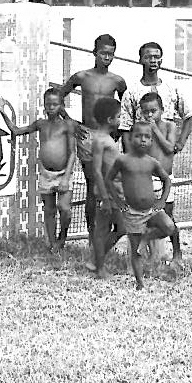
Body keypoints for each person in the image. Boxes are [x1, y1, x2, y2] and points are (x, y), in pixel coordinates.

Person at [119, 42, 192, 264]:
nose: (153, 61)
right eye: (148, 57)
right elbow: (124, 128)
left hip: (163, 163)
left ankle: (176, 254)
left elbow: (189, 116)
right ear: (140, 59)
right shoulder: (132, 91)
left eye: (157, 57)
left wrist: (179, 143)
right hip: (142, 166)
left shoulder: (172, 89)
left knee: (167, 214)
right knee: (140, 213)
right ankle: (144, 256)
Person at [58, 34, 127, 266]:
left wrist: (117, 131)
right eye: (103, 53)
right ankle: (90, 235)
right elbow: (58, 96)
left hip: (106, 136)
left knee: (109, 183)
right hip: (86, 134)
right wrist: (70, 122)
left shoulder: (117, 81)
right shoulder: (81, 76)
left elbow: (126, 107)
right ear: (94, 52)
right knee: (91, 185)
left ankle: (103, 234)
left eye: (111, 54)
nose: (107, 58)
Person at [0, 88, 77, 251]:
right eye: (48, 104)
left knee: (65, 209)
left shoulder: (67, 126)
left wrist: (65, 178)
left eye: (55, 104)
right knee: (49, 210)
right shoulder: (41, 124)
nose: (51, 108)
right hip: (46, 174)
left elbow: (72, 153)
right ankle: (52, 244)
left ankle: (62, 237)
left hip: (63, 173)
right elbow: (16, 130)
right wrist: (3, 112)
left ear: (62, 106)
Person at [103, 122, 176, 289]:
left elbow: (167, 180)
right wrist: (119, 202)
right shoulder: (122, 160)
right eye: (138, 136)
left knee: (169, 227)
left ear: (151, 141)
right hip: (133, 212)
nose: (142, 140)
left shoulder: (152, 162)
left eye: (147, 137)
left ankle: (146, 237)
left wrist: (161, 201)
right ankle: (140, 283)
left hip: (152, 209)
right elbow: (108, 179)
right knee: (136, 250)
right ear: (130, 138)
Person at [136, 92, 182, 264]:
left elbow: (170, 148)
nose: (149, 115)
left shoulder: (169, 126)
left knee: (169, 217)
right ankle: (149, 254)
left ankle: (177, 253)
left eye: (153, 111)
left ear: (162, 110)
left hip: (166, 179)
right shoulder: (141, 130)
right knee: (150, 217)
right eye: (145, 112)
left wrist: (155, 130)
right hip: (148, 180)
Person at [88, 97, 123, 278]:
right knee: (105, 230)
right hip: (107, 193)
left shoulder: (106, 138)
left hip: (115, 191)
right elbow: (97, 171)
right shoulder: (100, 140)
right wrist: (105, 197)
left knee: (119, 227)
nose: (120, 120)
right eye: (118, 117)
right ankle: (99, 267)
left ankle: (96, 260)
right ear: (110, 120)